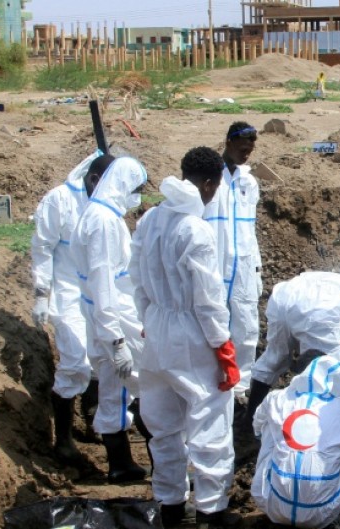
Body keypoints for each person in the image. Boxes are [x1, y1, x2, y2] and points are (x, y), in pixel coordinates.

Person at [130, 147, 241, 528]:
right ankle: (212, 512)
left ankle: (171, 509)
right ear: (209, 184)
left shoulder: (150, 219)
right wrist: (224, 349)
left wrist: (149, 319)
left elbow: (137, 279)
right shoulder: (196, 229)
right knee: (210, 427)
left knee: (163, 428)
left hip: (156, 332)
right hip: (191, 336)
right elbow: (207, 300)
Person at [71, 156, 149, 483]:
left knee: (113, 391)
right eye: (137, 189)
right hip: (114, 319)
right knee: (148, 389)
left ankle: (120, 465)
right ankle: (168, 465)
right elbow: (103, 284)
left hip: (103, 318)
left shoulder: (99, 214)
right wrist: (116, 340)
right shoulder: (102, 222)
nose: (138, 196)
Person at [31, 151, 113, 463]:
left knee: (102, 354)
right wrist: (41, 294)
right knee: (75, 362)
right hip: (66, 293)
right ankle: (63, 440)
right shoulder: (59, 200)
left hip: (96, 291)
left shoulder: (104, 202)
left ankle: (93, 414)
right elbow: (42, 247)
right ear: (93, 180)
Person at [252, 354, 340, 528]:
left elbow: (257, 425)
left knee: (269, 429)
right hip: (323, 514)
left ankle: (278, 495)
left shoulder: (276, 398)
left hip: (272, 506)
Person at [245, 260, 340, 420]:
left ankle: (251, 416)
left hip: (281, 296)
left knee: (274, 357)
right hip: (316, 309)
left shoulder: (330, 279)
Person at [204, 122, 261, 400]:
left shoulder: (249, 183)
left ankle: (242, 383)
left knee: (247, 327)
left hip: (244, 268)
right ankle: (213, 377)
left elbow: (250, 230)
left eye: (250, 150)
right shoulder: (210, 179)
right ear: (227, 143)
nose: (246, 154)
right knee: (214, 325)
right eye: (241, 149)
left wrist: (257, 269)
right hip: (214, 266)